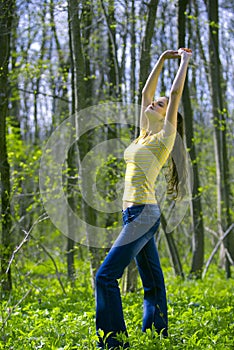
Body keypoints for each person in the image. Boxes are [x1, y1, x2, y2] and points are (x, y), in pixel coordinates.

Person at [95, 48, 192, 349]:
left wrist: (184, 61)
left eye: (161, 104)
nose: (155, 102)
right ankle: (156, 335)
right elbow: (144, 92)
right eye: (156, 101)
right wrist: (163, 59)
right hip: (134, 215)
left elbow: (175, 92)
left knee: (105, 277)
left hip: (143, 214)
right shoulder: (142, 136)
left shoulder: (165, 137)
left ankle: (113, 343)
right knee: (152, 280)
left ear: (169, 115)